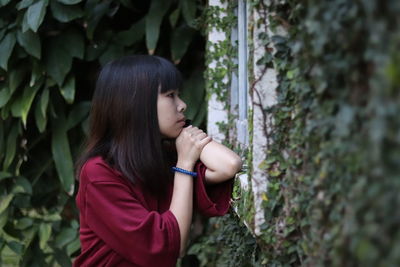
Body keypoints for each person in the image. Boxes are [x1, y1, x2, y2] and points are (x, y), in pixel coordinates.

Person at [73, 55, 242, 267]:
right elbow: (170, 247)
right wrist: (184, 167)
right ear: (136, 104)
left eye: (178, 95)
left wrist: (185, 137)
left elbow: (229, 165)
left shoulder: (162, 160)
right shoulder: (99, 173)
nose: (182, 105)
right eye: (170, 95)